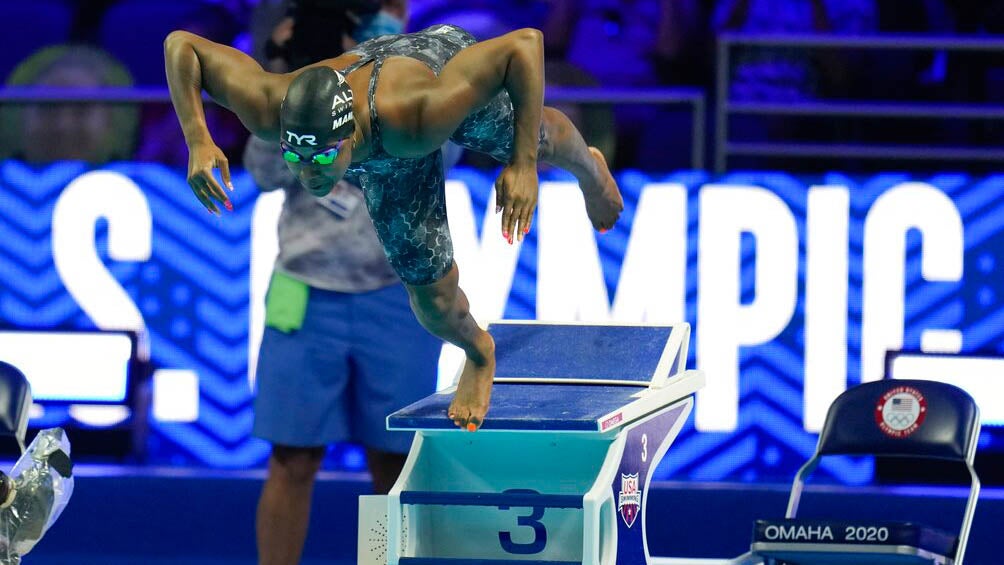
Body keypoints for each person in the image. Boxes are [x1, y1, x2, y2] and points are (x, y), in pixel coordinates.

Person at [163, 22, 624, 434]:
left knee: (530, 133)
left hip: (419, 84)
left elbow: (525, 44)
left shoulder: (419, 115)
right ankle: (480, 350)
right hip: (380, 143)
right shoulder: (269, 107)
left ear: (348, 139)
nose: (309, 174)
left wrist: (522, 165)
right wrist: (198, 139)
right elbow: (181, 44)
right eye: (295, 157)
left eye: (323, 158)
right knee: (433, 301)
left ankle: (590, 169)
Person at [242, 3, 441, 565]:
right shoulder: (298, 77)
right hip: (304, 294)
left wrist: (396, 63)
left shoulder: (415, 62)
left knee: (394, 464)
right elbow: (262, 171)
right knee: (292, 459)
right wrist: (286, 81)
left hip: (399, 296)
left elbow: (441, 152)